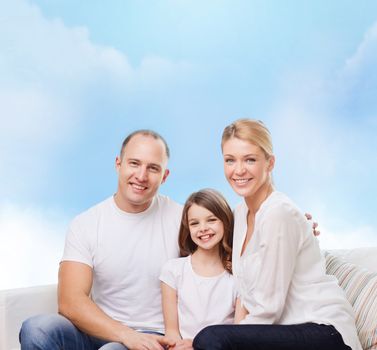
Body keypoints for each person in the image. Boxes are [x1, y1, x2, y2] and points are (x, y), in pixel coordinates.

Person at [193, 119, 362, 350]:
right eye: (230, 160)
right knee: (212, 339)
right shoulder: (240, 214)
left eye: (250, 159)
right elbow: (245, 295)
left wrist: (228, 339)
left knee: (210, 339)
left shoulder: (279, 213)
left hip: (323, 331)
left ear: (270, 163)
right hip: (282, 330)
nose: (239, 170)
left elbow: (267, 309)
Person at [19, 130, 182, 350]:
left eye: (153, 168)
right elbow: (70, 302)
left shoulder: (183, 220)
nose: (141, 176)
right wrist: (126, 335)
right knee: (36, 328)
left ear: (165, 176)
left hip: (157, 338)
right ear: (118, 164)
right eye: (134, 163)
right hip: (103, 331)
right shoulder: (86, 224)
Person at [160, 189, 242, 350]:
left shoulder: (238, 275)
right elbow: (171, 333)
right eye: (194, 223)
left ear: (225, 221)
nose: (202, 228)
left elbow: (238, 336)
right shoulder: (173, 270)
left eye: (211, 220)